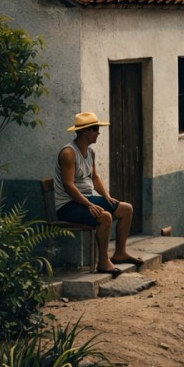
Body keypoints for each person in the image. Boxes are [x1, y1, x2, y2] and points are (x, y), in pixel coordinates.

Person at [53, 112, 140, 276]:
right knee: (105, 217)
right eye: (96, 129)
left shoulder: (90, 152)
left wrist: (106, 196)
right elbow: (68, 185)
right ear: (85, 131)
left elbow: (95, 177)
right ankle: (103, 261)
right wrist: (89, 205)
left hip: (86, 199)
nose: (98, 132)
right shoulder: (68, 153)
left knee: (126, 209)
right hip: (68, 205)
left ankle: (120, 253)